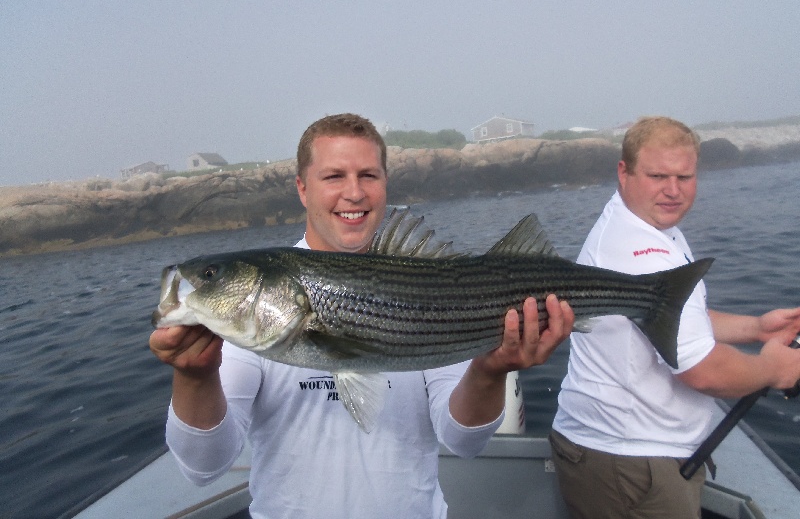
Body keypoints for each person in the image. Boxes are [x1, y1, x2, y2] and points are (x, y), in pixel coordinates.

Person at [150, 113, 575, 519]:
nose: (354, 193)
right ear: (302, 188)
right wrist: (194, 377)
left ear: (385, 184)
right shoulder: (243, 331)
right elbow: (203, 467)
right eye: (334, 176)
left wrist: (490, 369)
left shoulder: (431, 284)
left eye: (368, 176)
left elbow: (463, 440)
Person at [549, 116, 800, 519]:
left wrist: (755, 328)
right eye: (658, 175)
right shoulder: (641, 251)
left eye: (685, 177)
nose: (672, 190)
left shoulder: (641, 221)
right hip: (630, 465)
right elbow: (702, 371)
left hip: (621, 453)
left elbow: (674, 317)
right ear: (624, 172)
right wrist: (774, 369)